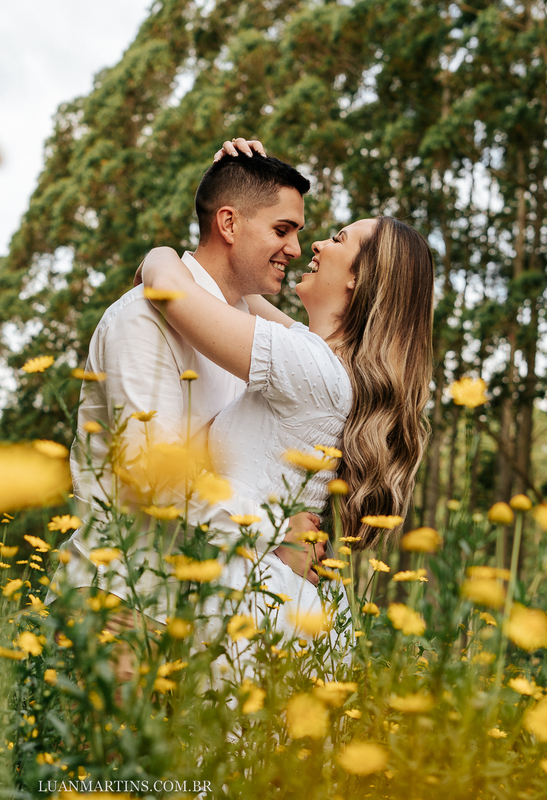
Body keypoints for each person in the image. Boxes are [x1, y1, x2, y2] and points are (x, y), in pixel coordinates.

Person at [137, 138, 435, 648]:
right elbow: (233, 280)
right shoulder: (318, 358)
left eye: (338, 239)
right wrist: (228, 190)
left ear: (358, 279)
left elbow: (171, 288)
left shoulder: (309, 367)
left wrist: (159, 253)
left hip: (250, 597)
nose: (314, 245)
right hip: (269, 589)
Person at [53, 142, 326, 656]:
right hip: (121, 607)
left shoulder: (242, 334)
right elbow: (150, 473)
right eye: (282, 230)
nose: (293, 248)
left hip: (198, 617)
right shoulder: (143, 319)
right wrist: (276, 529)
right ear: (228, 223)